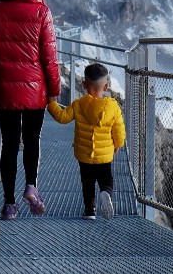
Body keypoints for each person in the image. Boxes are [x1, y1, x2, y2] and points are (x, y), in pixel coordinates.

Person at [0, 0, 60, 220]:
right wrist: (54, 89)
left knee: (11, 143)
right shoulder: (41, 12)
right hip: (35, 89)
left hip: (5, 87)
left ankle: (9, 205)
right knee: (32, 140)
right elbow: (49, 57)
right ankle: (32, 188)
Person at [48, 61, 127, 219]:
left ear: (84, 84)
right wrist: (118, 144)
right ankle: (106, 193)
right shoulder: (113, 107)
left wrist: (51, 103)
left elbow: (62, 117)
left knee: (87, 183)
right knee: (107, 179)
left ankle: (90, 210)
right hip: (104, 156)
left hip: (84, 155)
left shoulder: (79, 104)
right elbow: (119, 129)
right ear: (106, 87)